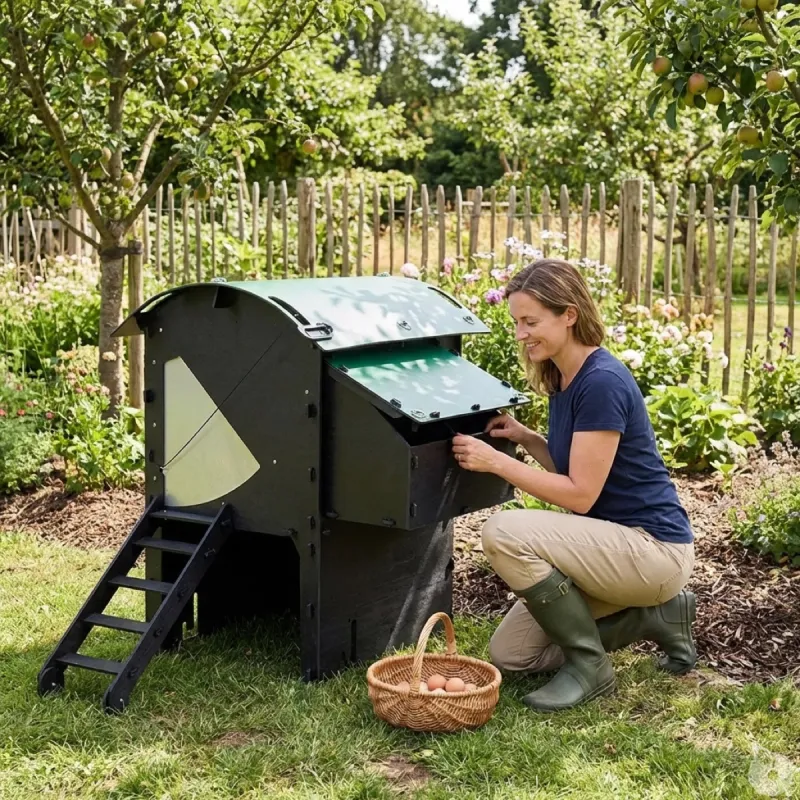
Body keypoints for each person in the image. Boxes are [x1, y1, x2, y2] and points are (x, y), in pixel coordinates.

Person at [451, 258, 696, 713]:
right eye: (516, 323)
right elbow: (575, 466)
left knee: (503, 531)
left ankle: (589, 667)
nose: (521, 334)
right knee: (514, 655)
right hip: (615, 552)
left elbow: (581, 494)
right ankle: (656, 615)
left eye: (531, 321)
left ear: (569, 314)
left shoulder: (601, 382)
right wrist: (527, 439)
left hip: (653, 549)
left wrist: (496, 463)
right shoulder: (565, 377)